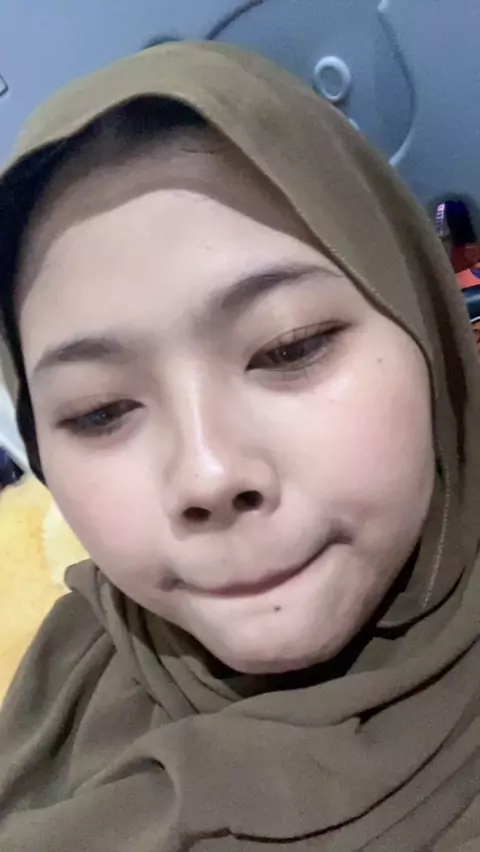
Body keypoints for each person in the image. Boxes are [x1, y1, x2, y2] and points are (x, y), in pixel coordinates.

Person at [0, 41, 479, 852]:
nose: (209, 474)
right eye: (100, 411)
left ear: (425, 326)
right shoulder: (62, 679)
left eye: (291, 346)